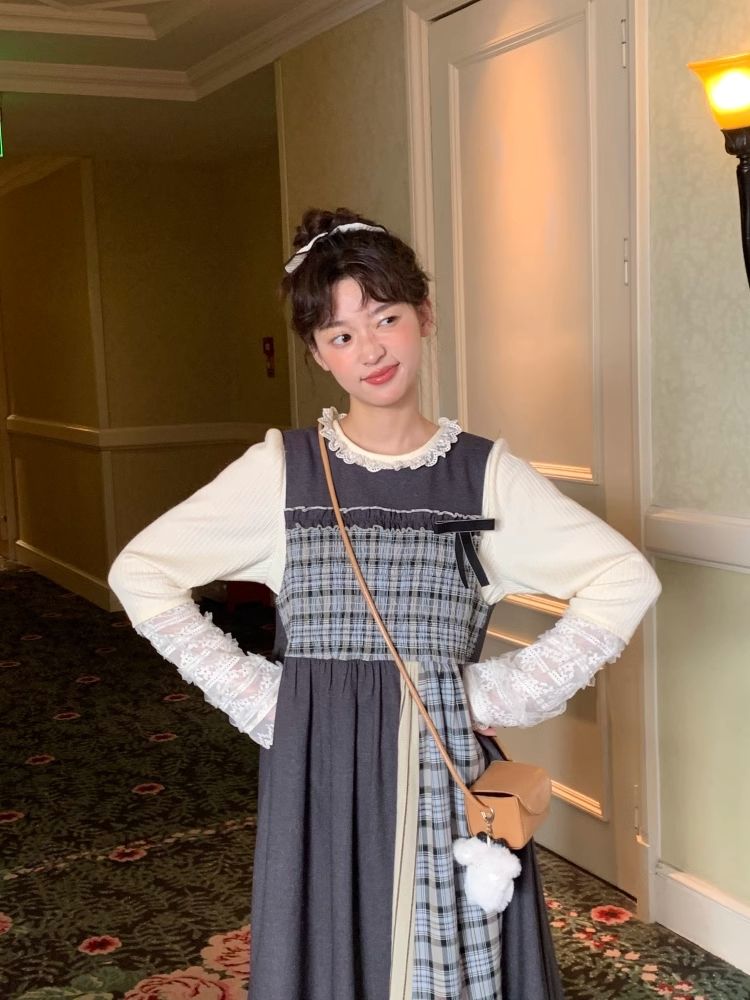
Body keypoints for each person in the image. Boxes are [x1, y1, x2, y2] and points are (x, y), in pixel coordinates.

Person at [108, 207, 661, 1000]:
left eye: (385, 318)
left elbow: (624, 578)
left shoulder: (483, 475)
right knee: (335, 955)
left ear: (424, 315)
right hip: (321, 768)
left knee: (448, 965)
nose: (369, 349)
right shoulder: (285, 469)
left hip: (444, 768)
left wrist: (498, 693)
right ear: (317, 353)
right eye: (340, 334)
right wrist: (259, 695)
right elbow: (143, 571)